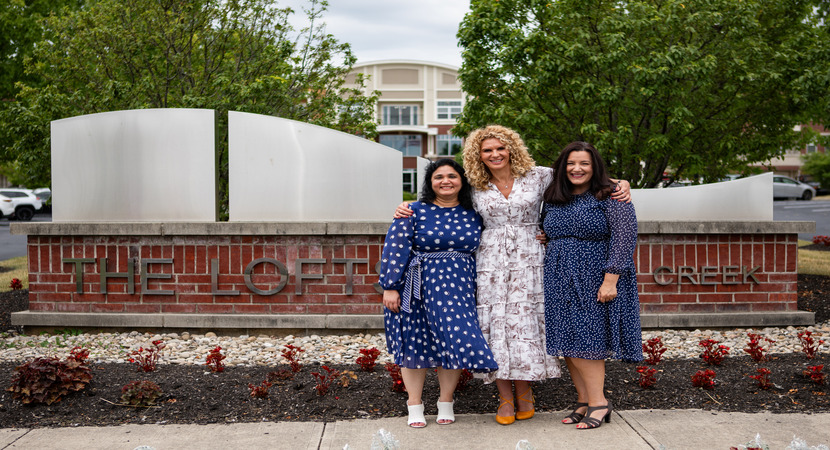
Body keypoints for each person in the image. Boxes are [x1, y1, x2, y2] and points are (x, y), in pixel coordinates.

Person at [395, 125, 631, 425]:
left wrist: (621, 183)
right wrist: (407, 206)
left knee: (528, 324)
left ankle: (526, 393)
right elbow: (441, 193)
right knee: (495, 326)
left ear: (511, 149)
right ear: (478, 155)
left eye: (500, 148)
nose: (494, 154)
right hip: (489, 261)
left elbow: (579, 173)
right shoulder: (473, 182)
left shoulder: (538, 175)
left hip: (531, 258)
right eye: (487, 150)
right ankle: (505, 398)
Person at [379, 159, 498, 428]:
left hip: (459, 286)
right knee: (415, 344)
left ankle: (446, 401)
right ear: (430, 183)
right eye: (439, 177)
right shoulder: (412, 211)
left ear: (462, 181)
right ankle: (414, 404)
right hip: (417, 286)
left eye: (452, 176)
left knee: (452, 340)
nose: (446, 181)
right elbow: (395, 248)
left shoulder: (475, 212)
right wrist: (390, 286)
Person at [540, 141, 642, 430]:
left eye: (584, 163)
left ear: (595, 166)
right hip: (559, 276)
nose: (577, 169)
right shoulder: (554, 196)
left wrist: (611, 280)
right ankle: (583, 401)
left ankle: (599, 403)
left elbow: (625, 237)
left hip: (594, 276)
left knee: (589, 340)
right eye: (571, 163)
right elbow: (551, 229)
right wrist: (546, 237)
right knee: (569, 340)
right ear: (562, 167)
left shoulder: (610, 195)